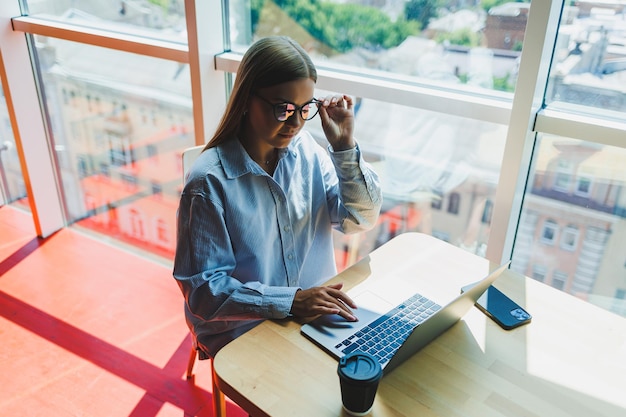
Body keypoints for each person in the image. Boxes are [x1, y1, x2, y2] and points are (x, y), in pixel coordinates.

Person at [173, 36, 382, 359]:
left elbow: (360, 219)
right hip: (242, 327)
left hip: (316, 310)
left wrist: (344, 147)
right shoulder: (208, 183)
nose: (297, 123)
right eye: (284, 109)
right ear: (245, 99)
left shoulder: (307, 151)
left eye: (305, 109)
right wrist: (291, 301)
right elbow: (203, 293)